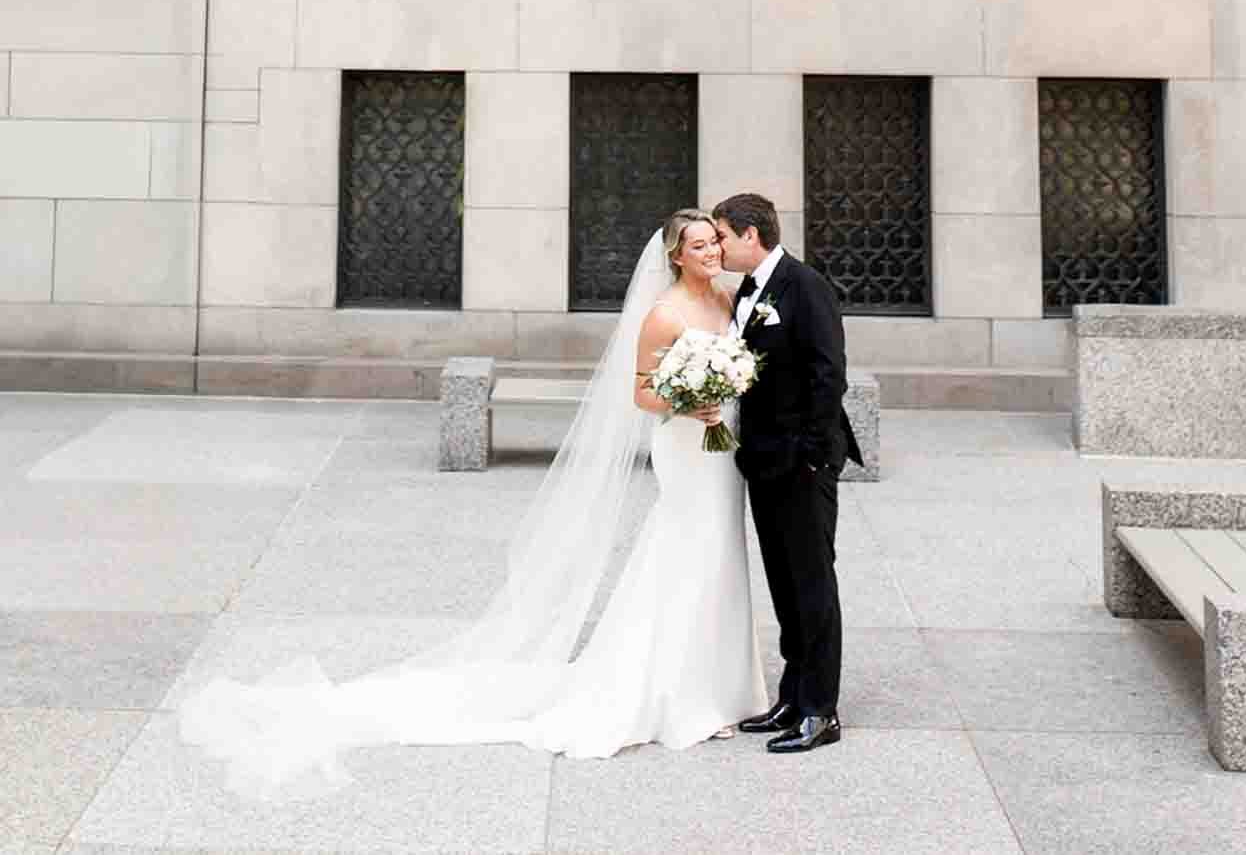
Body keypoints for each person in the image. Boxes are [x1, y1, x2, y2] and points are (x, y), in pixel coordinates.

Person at [177, 209, 763, 785]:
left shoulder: (724, 300)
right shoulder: (663, 316)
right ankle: (673, 693)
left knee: (718, 558)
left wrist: (726, 385)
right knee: (681, 555)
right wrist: (688, 401)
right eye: (699, 245)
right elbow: (641, 394)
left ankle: (717, 686)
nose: (712, 252)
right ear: (675, 255)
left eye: (715, 241)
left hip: (723, 453)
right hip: (686, 449)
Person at [714, 191, 862, 755]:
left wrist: (811, 454)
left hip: (802, 463)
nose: (720, 246)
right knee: (783, 581)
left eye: (724, 236)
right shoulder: (748, 292)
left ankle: (821, 710)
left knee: (813, 583)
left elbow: (830, 375)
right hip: (763, 459)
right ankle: (792, 695)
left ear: (752, 235)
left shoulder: (807, 286)